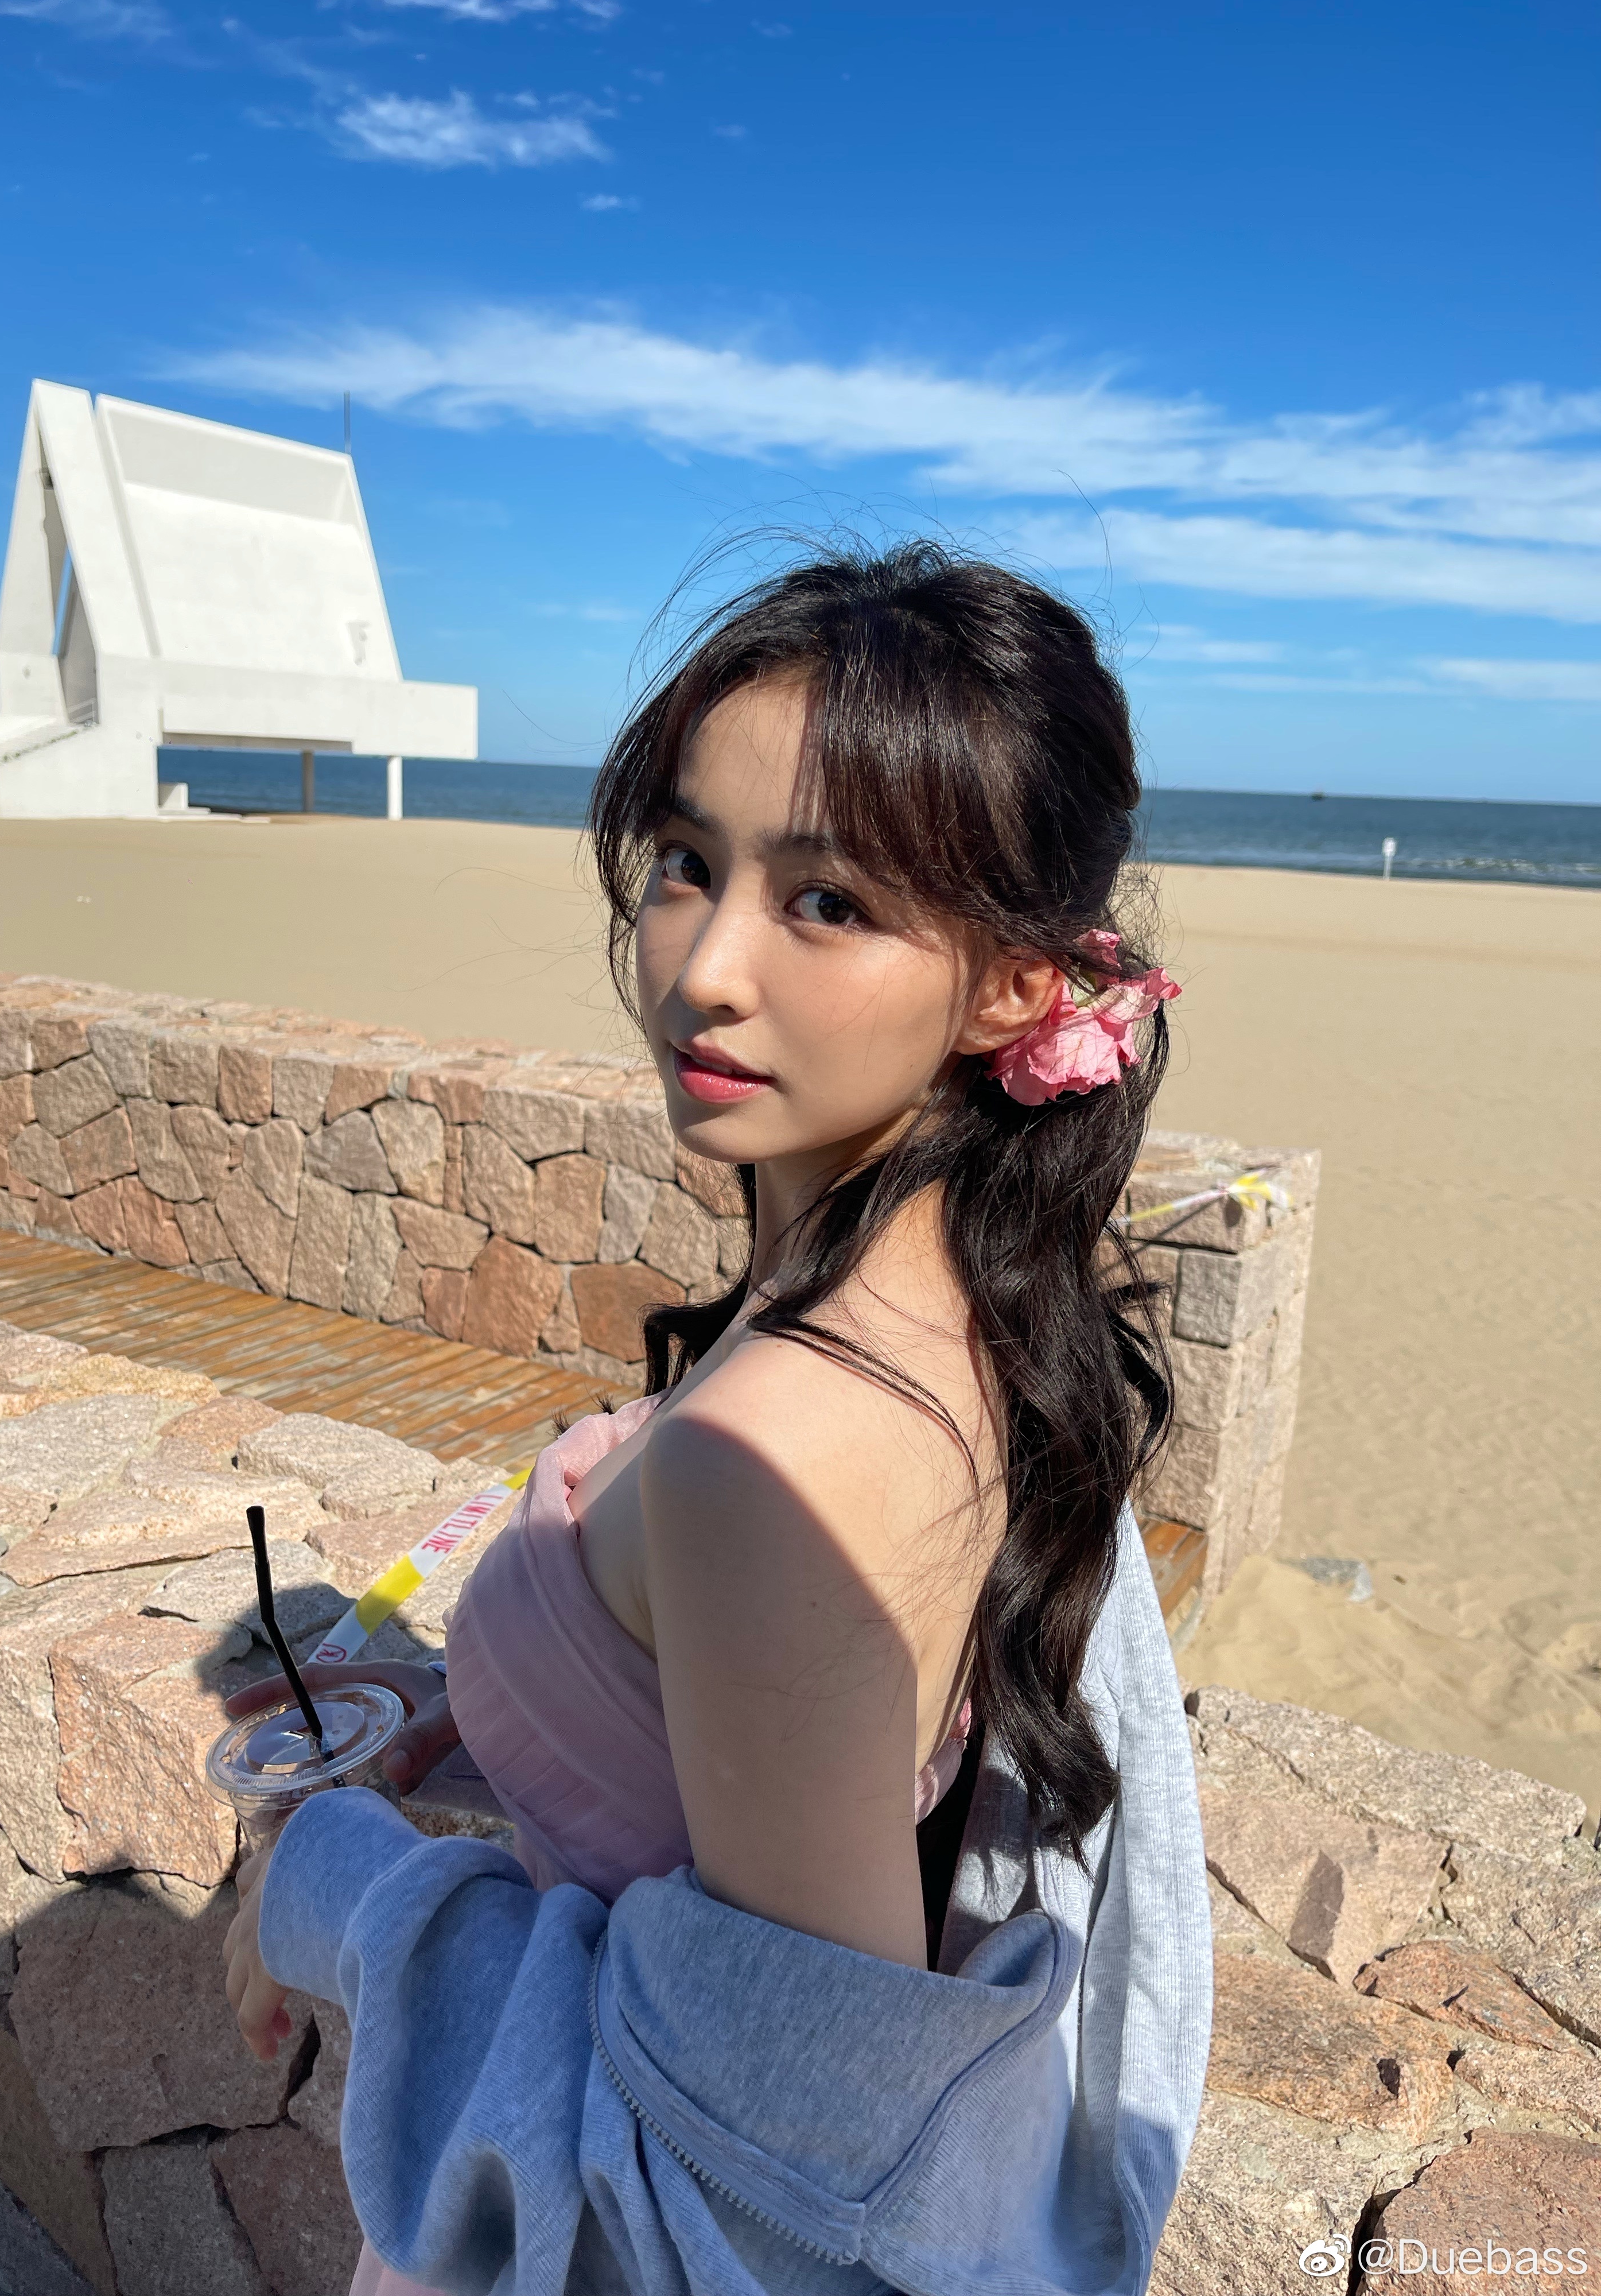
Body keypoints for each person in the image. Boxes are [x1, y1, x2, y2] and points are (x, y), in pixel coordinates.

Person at [223, 542, 1212, 2295]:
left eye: (826, 900)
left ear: (1017, 984)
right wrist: (505, 1719)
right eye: (688, 864)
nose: (708, 967)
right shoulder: (966, 1298)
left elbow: (771, 2191)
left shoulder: (782, 1449)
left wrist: (335, 1881)